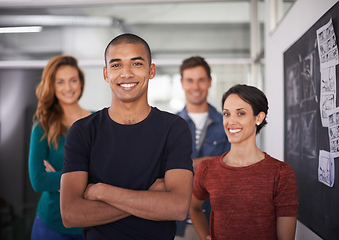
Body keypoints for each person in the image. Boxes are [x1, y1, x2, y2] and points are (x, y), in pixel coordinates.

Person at [60, 33, 194, 240]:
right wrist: (150, 198)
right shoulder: (83, 131)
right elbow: (70, 214)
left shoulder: (174, 128)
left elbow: (176, 208)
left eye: (136, 63)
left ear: (151, 71)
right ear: (106, 74)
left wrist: (103, 192)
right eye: (116, 65)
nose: (126, 73)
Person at [189, 84, 298, 240]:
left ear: (258, 118)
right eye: (227, 114)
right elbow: (194, 208)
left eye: (240, 113)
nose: (231, 121)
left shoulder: (281, 173)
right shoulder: (208, 168)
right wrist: (205, 236)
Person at [28, 55, 92, 240]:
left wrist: (61, 179)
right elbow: (39, 180)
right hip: (51, 224)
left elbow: (108, 173)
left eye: (73, 80)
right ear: (53, 86)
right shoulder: (43, 125)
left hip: (91, 223)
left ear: (81, 82)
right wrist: (86, 179)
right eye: (60, 82)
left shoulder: (98, 122)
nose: (68, 87)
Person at [176, 56, 230, 239]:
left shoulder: (226, 123)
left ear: (210, 82)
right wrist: (210, 162)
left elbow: (232, 168)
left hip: (215, 222)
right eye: (190, 80)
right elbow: (161, 170)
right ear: (182, 83)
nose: (196, 87)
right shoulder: (170, 125)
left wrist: (185, 165)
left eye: (201, 80)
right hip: (177, 224)